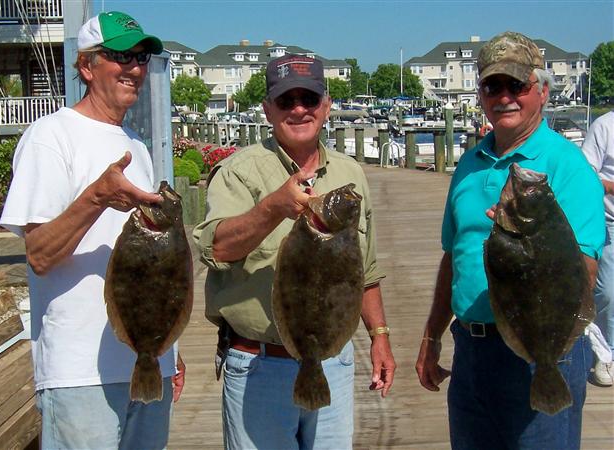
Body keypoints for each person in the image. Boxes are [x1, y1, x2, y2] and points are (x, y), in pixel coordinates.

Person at [0, 11, 185, 449]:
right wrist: (96, 196)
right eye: (121, 56)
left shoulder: (136, 145)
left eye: (141, 57)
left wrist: (169, 354)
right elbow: (40, 255)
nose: (135, 68)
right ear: (87, 66)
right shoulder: (50, 137)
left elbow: (161, 270)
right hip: (79, 372)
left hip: (147, 364)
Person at [194, 54, 396, 449]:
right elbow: (214, 248)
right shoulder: (239, 172)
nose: (299, 109)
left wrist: (380, 336)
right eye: (286, 101)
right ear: (268, 109)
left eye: (309, 98)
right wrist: (272, 208)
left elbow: (364, 270)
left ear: (327, 104)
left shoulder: (350, 173)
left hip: (333, 363)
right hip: (259, 364)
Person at [415, 31, 605, 450]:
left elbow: (585, 273)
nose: (505, 97)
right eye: (492, 86)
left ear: (542, 91)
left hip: (545, 352)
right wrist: (432, 336)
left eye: (517, 85)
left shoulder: (568, 167)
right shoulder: (467, 163)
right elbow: (455, 255)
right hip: (472, 351)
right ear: (480, 93)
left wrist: (522, 247)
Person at [583, 110, 614, 387]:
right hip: (608, 222)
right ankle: (605, 354)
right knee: (607, 292)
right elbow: (586, 175)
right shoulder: (604, 126)